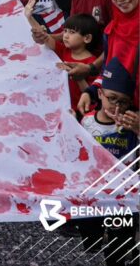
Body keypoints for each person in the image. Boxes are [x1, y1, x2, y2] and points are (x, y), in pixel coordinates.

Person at [77, 58, 138, 266]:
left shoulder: (131, 124)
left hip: (123, 196)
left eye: (123, 102)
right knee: (90, 237)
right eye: (112, 99)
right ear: (101, 94)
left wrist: (136, 128)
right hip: (94, 192)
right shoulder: (87, 121)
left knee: (118, 245)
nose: (117, 106)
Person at [25, 8, 101, 113]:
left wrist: (78, 77)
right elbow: (43, 36)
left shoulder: (92, 64)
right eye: (65, 31)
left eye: (72, 32)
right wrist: (29, 17)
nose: (66, 35)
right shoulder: (64, 50)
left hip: (81, 111)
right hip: (62, 107)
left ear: (87, 38)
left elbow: (91, 94)